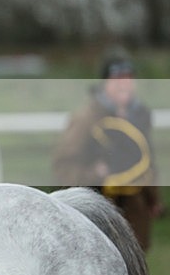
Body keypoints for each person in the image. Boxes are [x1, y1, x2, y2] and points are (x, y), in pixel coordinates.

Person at [54, 57, 164, 250]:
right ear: (105, 82)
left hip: (135, 213)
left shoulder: (139, 115)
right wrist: (93, 173)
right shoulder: (86, 118)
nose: (124, 84)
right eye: (117, 79)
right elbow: (63, 166)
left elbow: (145, 159)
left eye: (129, 78)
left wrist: (152, 198)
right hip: (99, 213)